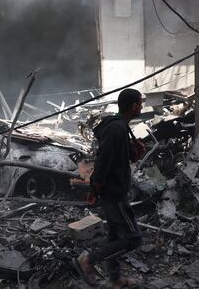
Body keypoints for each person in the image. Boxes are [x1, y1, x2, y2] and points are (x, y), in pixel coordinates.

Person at [73, 88, 144, 289]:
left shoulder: (121, 126)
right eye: (140, 103)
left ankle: (115, 280)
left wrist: (134, 150)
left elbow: (119, 156)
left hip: (113, 190)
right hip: (114, 193)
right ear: (134, 106)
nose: (142, 107)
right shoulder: (117, 128)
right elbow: (104, 160)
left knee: (115, 234)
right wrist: (97, 186)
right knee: (133, 238)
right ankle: (88, 260)